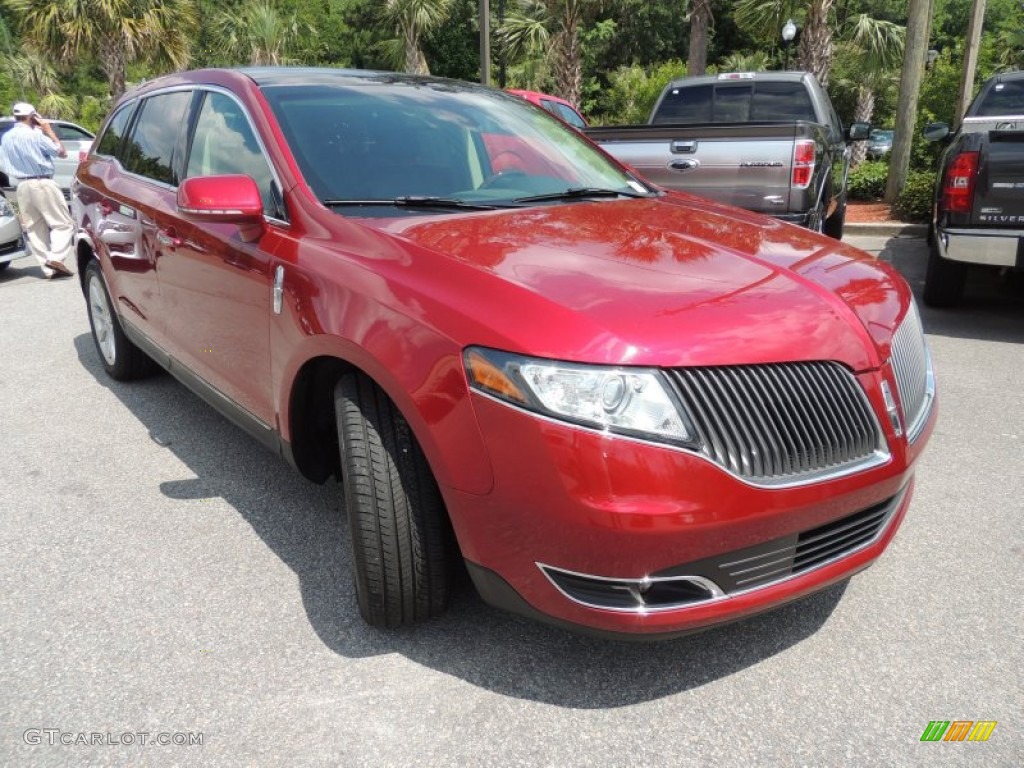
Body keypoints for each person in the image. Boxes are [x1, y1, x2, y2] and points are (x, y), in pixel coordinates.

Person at [0, 102, 74, 279]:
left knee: (34, 228)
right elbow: (61, 152)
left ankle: (49, 269)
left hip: (22, 186)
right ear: (32, 116)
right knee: (63, 224)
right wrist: (49, 131)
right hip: (42, 181)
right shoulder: (36, 135)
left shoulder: (6, 137)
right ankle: (56, 258)